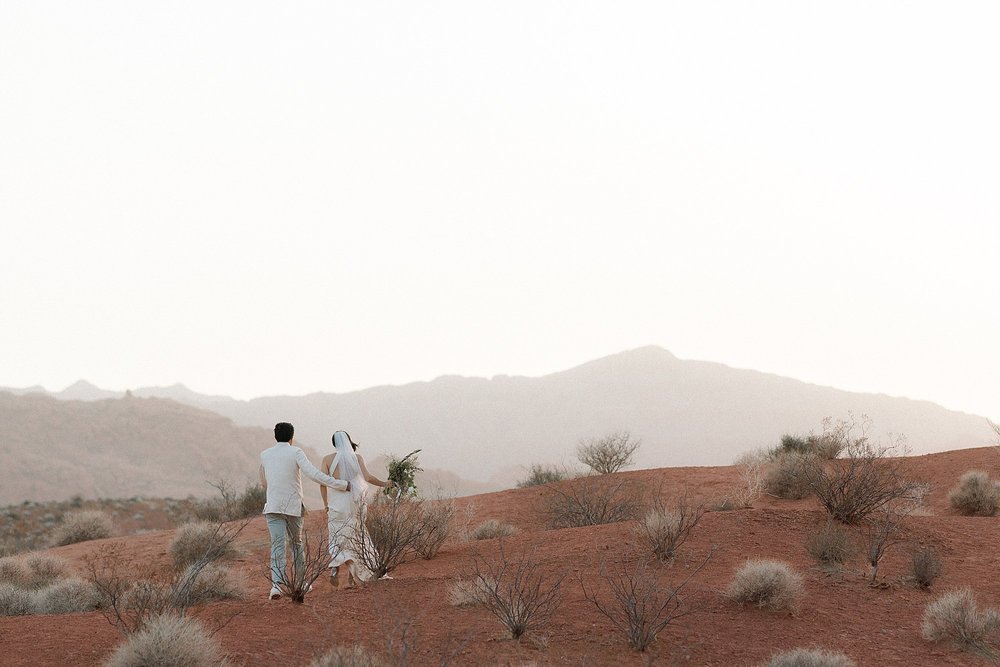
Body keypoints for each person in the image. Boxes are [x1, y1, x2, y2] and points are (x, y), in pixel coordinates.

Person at [260, 422, 350, 600]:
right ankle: (301, 582)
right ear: (291, 437)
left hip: (272, 506)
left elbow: (264, 482)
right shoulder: (296, 452)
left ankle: (276, 586)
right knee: (296, 544)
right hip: (293, 507)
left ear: (275, 436)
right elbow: (314, 474)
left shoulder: (265, 455)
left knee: (277, 545)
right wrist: (341, 484)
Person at [321, 430, 394, 589]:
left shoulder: (327, 459)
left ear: (334, 443)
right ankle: (353, 574)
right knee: (356, 535)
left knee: (336, 535)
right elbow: (367, 478)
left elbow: (322, 482)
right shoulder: (357, 458)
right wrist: (384, 483)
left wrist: (325, 503)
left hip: (337, 504)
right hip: (354, 504)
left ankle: (335, 568)